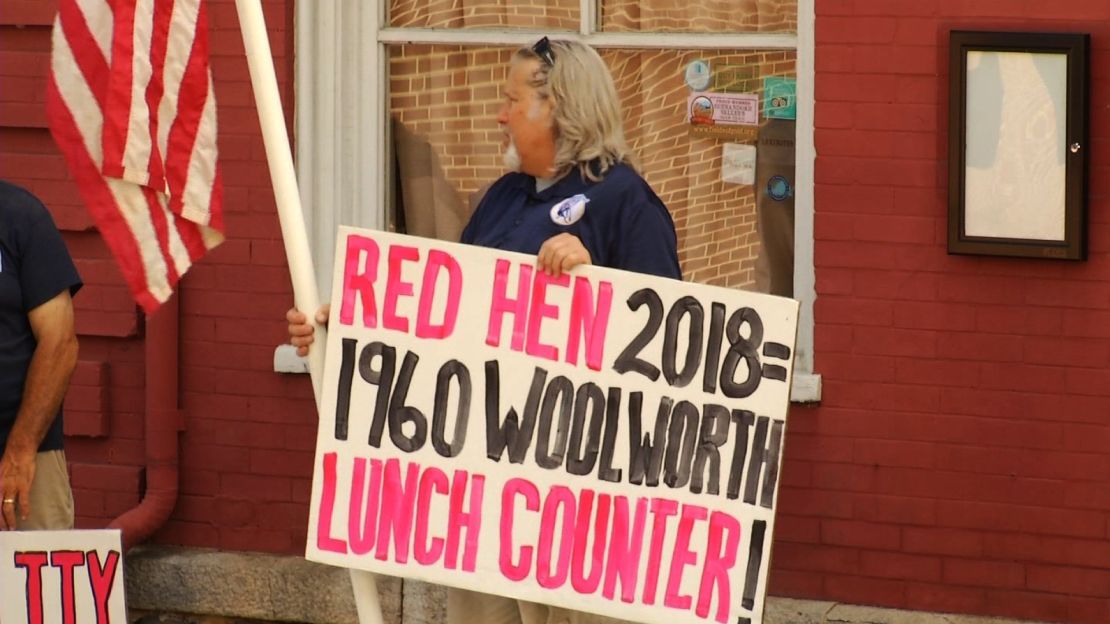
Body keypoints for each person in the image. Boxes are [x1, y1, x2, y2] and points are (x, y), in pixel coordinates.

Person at [288, 38, 680, 624]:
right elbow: (454, 319)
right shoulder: (502, 198)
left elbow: (673, 344)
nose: (499, 114)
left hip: (589, 503)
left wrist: (597, 278)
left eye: (511, 99)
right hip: (492, 488)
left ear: (559, 108)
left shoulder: (626, 200)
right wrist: (346, 327)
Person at [0, 180, 81, 532]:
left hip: (23, 455)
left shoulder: (20, 216)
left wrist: (21, 449)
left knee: (33, 584)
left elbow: (59, 341)